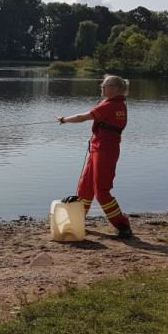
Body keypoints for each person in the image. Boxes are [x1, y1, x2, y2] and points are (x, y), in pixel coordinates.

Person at [55, 74, 132, 238]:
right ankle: (79, 218)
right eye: (102, 84)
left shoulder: (110, 106)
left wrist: (63, 119)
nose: (102, 87)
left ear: (116, 89)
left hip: (105, 151)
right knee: (86, 186)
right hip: (99, 149)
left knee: (101, 190)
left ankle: (123, 225)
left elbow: (82, 117)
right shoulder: (117, 104)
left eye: (106, 85)